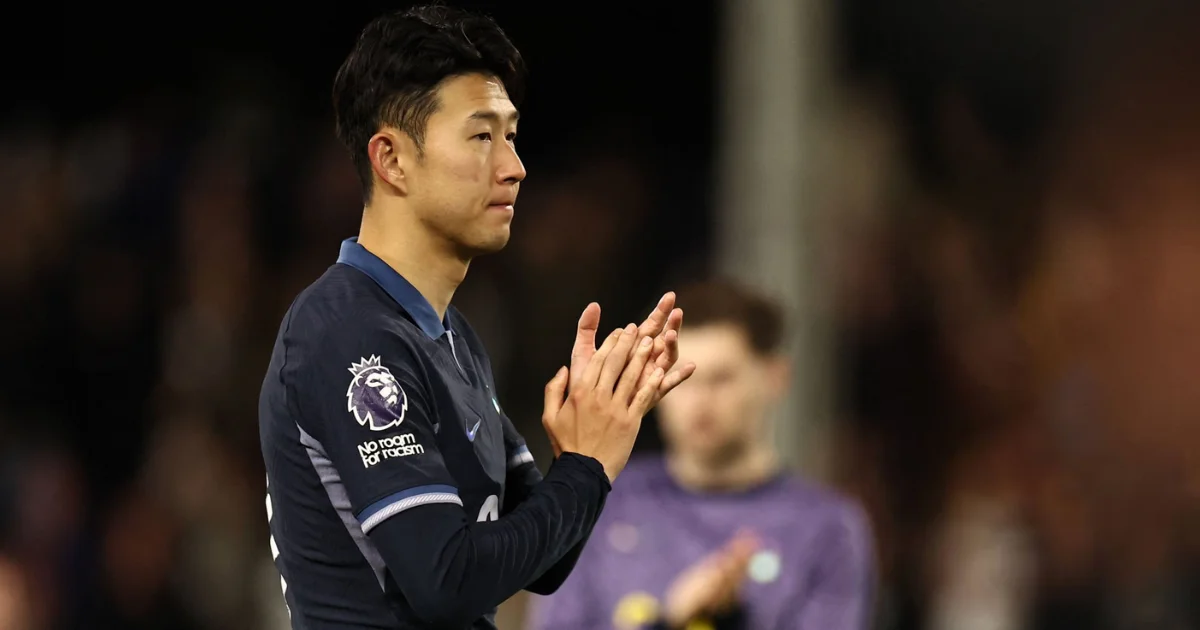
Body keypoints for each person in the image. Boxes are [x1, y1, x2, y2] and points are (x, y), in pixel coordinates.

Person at [257, 6, 695, 629]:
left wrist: (598, 439)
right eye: (481, 135)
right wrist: (584, 468)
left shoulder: (452, 337)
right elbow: (448, 582)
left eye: (511, 136)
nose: (513, 166)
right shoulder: (347, 332)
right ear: (392, 160)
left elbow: (539, 563)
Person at [527, 279, 875, 630]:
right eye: (683, 379)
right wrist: (672, 621)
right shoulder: (601, 503)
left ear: (775, 378)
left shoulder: (826, 529)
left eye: (721, 379)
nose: (700, 401)